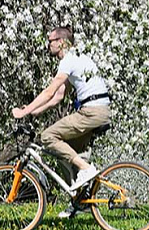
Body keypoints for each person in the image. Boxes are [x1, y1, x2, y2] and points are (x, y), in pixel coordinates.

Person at [11, 27, 113, 212]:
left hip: (91, 111)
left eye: (51, 40)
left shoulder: (69, 60)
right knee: (63, 154)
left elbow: (49, 91)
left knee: (48, 137)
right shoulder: (78, 58)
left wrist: (22, 113)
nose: (48, 44)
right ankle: (80, 201)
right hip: (100, 110)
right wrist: (34, 111)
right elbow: (58, 96)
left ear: (62, 42)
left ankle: (86, 169)